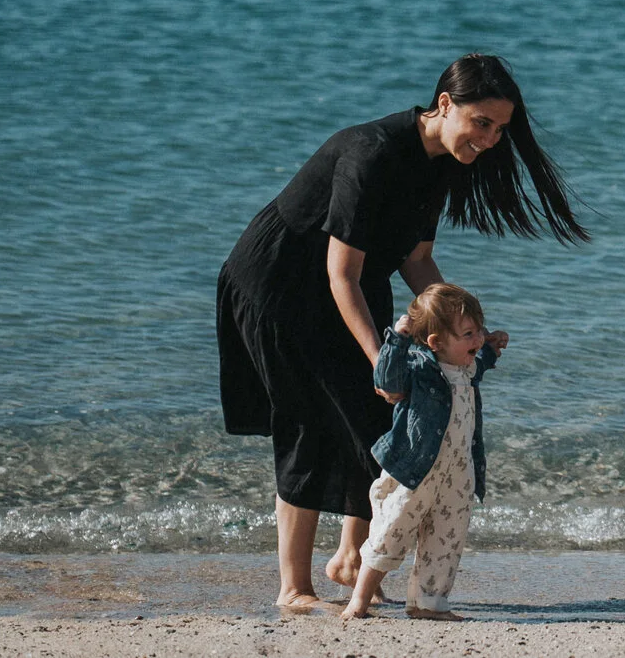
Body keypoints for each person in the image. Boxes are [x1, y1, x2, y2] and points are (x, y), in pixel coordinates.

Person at [217, 54, 587, 616]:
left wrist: (465, 329)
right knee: (307, 422)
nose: (491, 140)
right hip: (281, 283)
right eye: (482, 123)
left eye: (499, 129)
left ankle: (350, 560)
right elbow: (339, 274)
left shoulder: (442, 163)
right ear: (445, 104)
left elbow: (415, 260)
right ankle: (293, 588)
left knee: (381, 423)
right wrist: (378, 359)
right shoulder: (372, 153)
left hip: (357, 282)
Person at [343, 283, 506, 621]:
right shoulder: (418, 367)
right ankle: (359, 600)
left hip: (458, 472)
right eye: (469, 333)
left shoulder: (467, 367)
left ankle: (428, 604)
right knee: (390, 532)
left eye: (479, 330)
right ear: (435, 342)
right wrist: (397, 340)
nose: (477, 338)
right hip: (415, 471)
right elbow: (386, 381)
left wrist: (492, 345)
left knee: (446, 540)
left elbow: (483, 360)